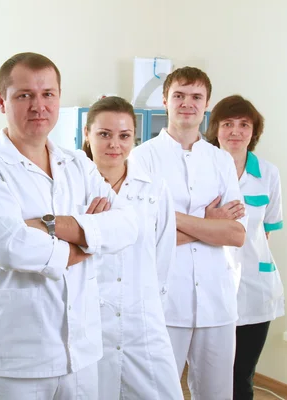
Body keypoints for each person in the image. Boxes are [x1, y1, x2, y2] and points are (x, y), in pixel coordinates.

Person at [0, 52, 140, 400]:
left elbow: (127, 224)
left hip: (80, 354)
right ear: (2, 101)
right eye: (24, 95)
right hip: (14, 361)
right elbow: (10, 246)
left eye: (48, 94)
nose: (38, 105)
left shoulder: (77, 164)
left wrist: (50, 225)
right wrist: (87, 241)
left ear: (58, 97)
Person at [130, 66, 247, 400]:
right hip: (165, 302)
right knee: (157, 393)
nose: (187, 103)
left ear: (206, 104)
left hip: (217, 302)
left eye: (196, 97)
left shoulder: (221, 161)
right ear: (165, 100)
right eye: (179, 95)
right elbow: (144, 235)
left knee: (217, 394)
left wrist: (172, 220)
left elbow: (236, 234)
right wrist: (211, 223)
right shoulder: (142, 159)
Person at [82, 96, 183, 399]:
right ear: (87, 134)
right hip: (90, 318)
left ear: (134, 138)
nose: (115, 144)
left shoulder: (152, 188)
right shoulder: (73, 185)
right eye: (104, 134)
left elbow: (164, 251)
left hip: (142, 318)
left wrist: (150, 302)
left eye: (124, 136)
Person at [205, 95, 284, 400]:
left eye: (244, 125)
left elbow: (266, 232)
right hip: (210, 286)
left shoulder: (268, 173)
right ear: (216, 129)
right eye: (227, 124)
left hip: (255, 289)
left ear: (254, 131)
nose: (235, 131)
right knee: (211, 376)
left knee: (242, 378)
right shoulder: (203, 169)